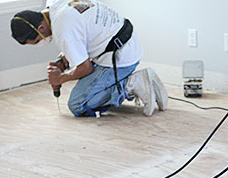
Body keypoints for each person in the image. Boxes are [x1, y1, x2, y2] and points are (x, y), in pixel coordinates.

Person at [10, 1, 168, 117]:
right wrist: (66, 57)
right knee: (91, 93)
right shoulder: (57, 4)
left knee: (77, 104)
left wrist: (60, 79)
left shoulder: (62, 30)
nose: (40, 42)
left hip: (119, 58)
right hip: (124, 42)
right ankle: (134, 82)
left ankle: (132, 84)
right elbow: (83, 30)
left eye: (37, 40)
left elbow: (86, 68)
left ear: (41, 28)